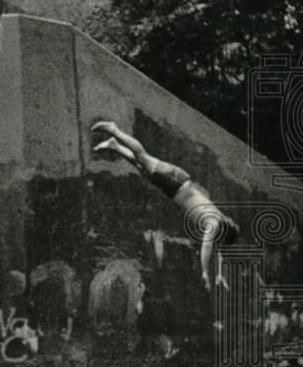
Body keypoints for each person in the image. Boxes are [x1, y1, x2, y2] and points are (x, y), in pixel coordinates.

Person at [91, 120, 239, 292]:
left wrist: (220, 273)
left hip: (174, 188)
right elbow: (207, 246)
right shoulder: (213, 223)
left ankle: (114, 145)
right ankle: (113, 129)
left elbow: (218, 249)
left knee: (142, 168)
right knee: (143, 157)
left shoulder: (220, 222)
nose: (216, 241)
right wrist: (205, 272)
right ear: (222, 232)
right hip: (176, 181)